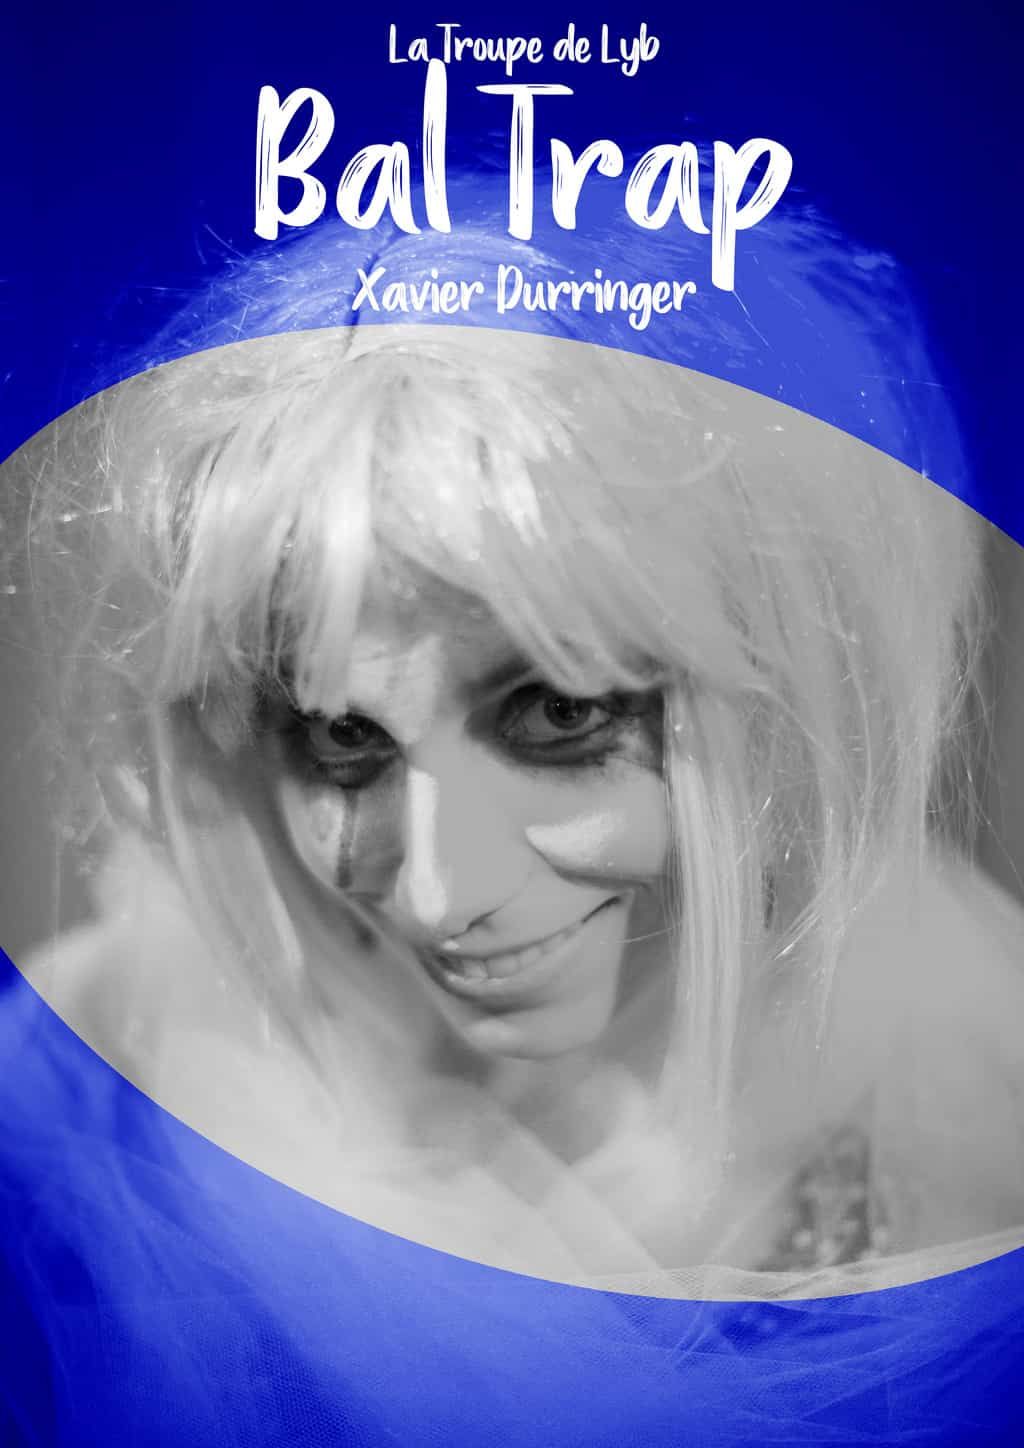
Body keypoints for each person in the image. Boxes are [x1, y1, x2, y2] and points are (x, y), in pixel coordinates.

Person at [2, 220, 1023, 1442]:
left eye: (558, 713)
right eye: (341, 737)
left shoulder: (973, 1082)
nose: (438, 892)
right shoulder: (87, 1111)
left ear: (782, 702)